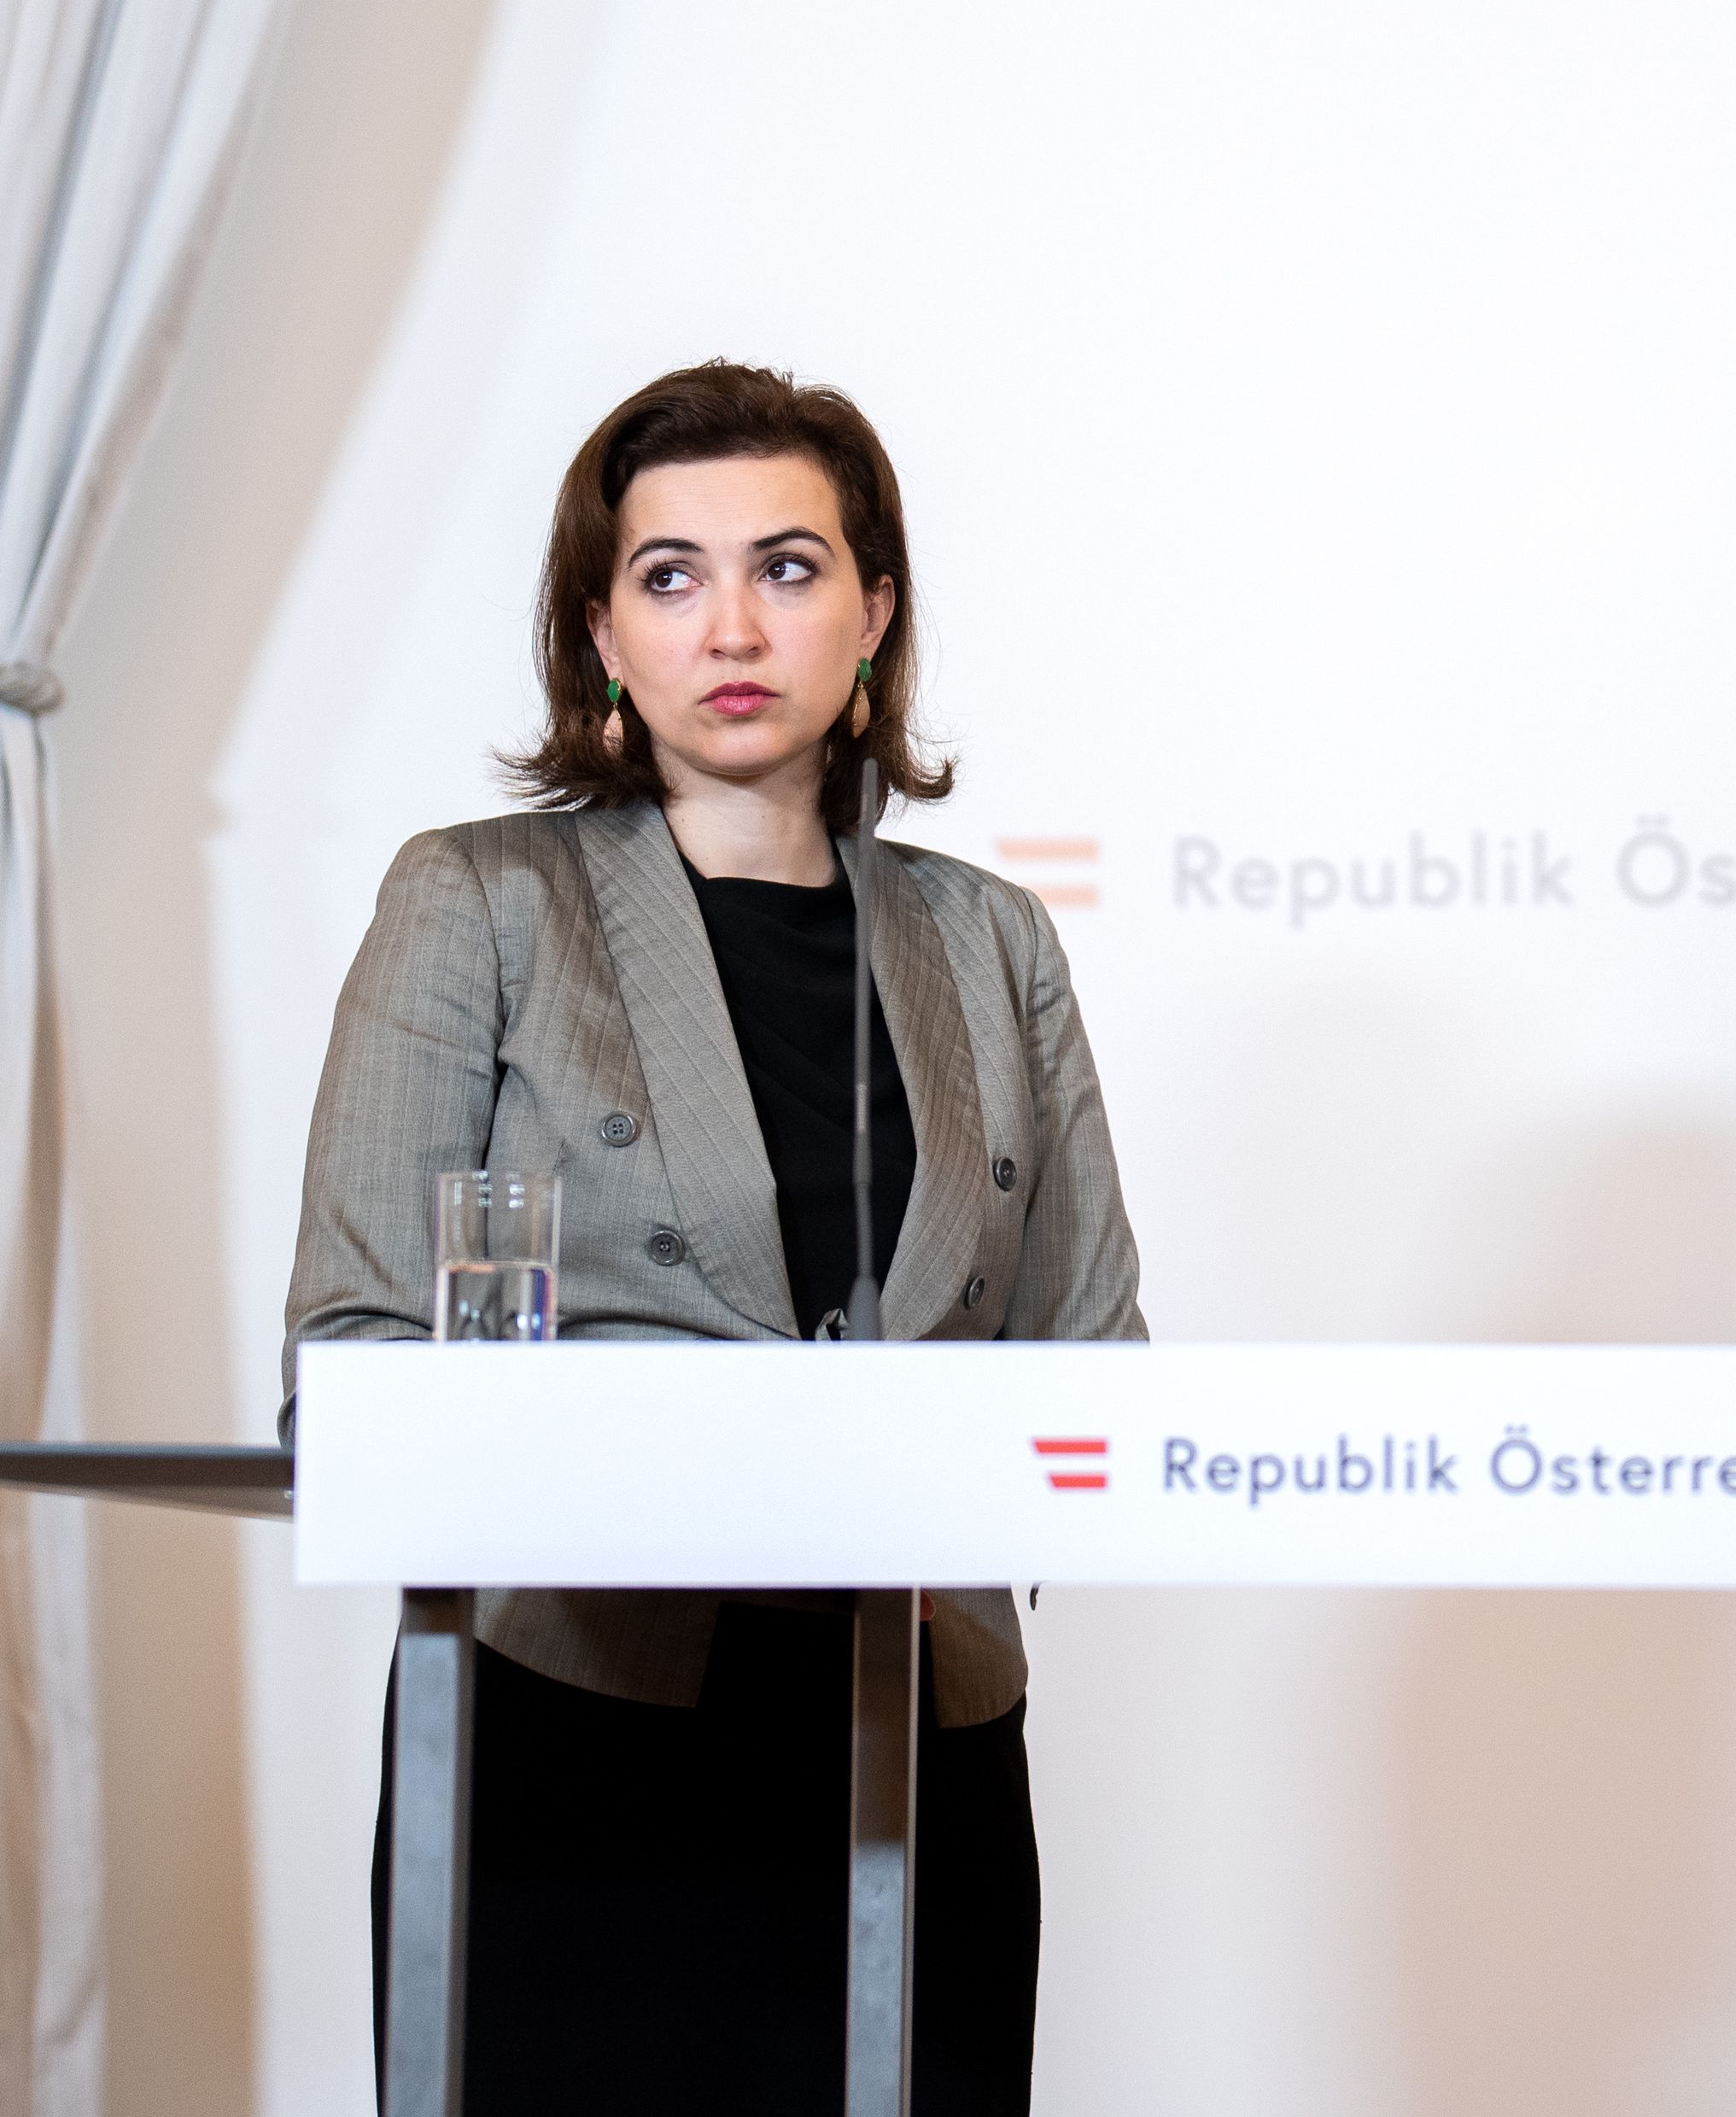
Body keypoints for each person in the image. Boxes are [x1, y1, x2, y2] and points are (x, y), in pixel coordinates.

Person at [285, 361, 1144, 2114]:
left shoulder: (987, 938)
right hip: (574, 1722)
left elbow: (1089, 1358)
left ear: (873, 611)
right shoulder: (477, 901)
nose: (731, 622)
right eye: (668, 575)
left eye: (790, 565)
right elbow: (355, 1354)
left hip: (921, 1720)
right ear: (598, 628)